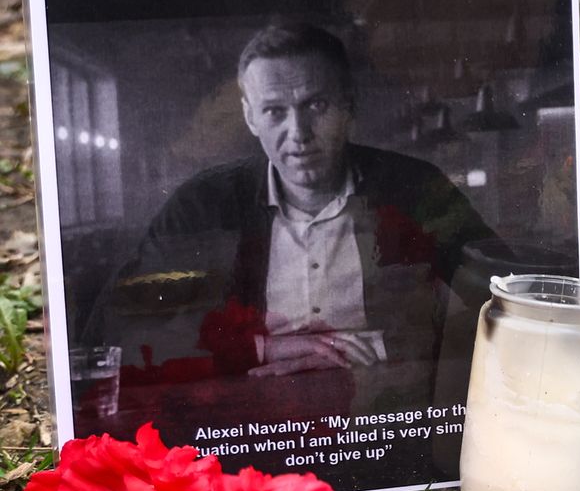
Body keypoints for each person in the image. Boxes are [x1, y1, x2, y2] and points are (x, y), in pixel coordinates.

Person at [92, 22, 505, 387]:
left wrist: (386, 346)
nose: (298, 133)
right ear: (250, 117)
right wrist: (262, 350)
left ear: (348, 106)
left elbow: (499, 295)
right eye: (275, 111)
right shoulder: (202, 204)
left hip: (386, 402)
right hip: (246, 411)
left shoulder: (416, 187)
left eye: (316, 105)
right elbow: (119, 325)